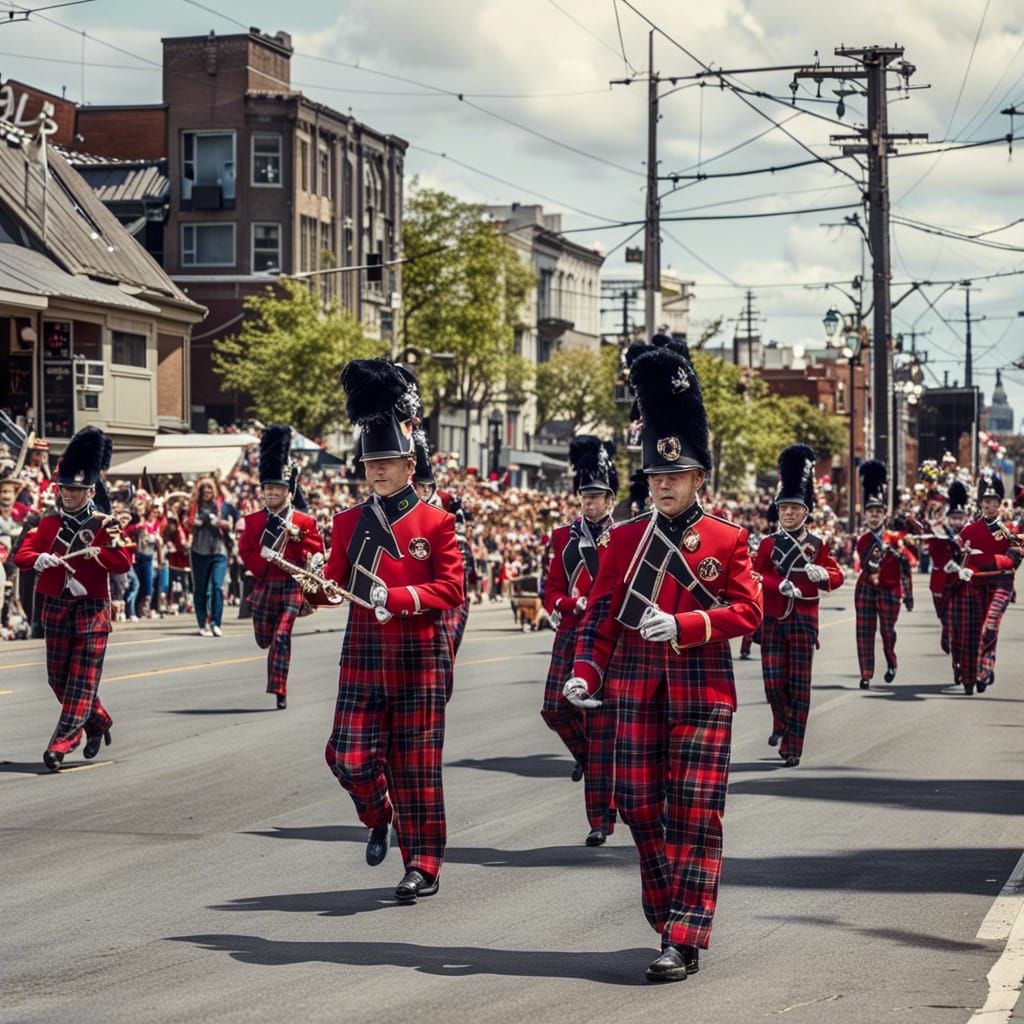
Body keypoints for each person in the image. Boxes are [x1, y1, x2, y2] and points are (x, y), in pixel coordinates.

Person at [564, 344, 762, 983]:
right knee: (641, 807)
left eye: (675, 477)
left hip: (703, 689)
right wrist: (585, 672)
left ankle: (684, 933)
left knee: (698, 811)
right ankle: (668, 906)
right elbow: (598, 615)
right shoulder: (625, 539)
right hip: (635, 689)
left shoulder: (728, 539)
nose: (665, 485)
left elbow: (748, 610)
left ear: (699, 477)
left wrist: (685, 624)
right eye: (654, 478)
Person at [324, 359, 464, 903]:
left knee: (418, 764)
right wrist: (315, 585)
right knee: (348, 756)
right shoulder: (346, 523)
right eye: (369, 463)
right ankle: (377, 812)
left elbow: (451, 590)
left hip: (418, 653)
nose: (376, 471)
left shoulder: (437, 522)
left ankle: (423, 863)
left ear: (409, 464)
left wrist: (401, 598)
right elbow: (329, 587)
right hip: (363, 650)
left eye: (386, 462)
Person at [13, 427, 131, 770]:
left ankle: (61, 744)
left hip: (93, 606)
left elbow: (123, 562)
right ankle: (99, 721)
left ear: (90, 490)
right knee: (57, 678)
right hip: (56, 604)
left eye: (75, 490)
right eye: (64, 488)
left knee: (83, 679)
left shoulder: (105, 524)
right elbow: (23, 554)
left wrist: (98, 556)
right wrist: (38, 559)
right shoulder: (46, 522)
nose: (67, 494)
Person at [541, 435, 619, 846]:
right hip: (571, 631)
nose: (588, 503)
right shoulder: (563, 537)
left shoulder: (624, 537)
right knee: (553, 709)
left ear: (610, 500)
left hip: (607, 636)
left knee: (602, 726)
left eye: (596, 497)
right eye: (584, 496)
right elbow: (551, 589)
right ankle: (587, 758)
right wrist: (570, 602)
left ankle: (600, 821)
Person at [753, 445, 844, 767]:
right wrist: (780, 584)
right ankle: (780, 721)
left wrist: (824, 576)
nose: (788, 513)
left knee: (799, 686)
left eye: (794, 508)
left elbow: (837, 574)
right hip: (774, 618)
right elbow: (757, 573)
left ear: (805, 511)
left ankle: (793, 746)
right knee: (773, 683)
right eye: (784, 508)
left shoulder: (817, 544)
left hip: (804, 620)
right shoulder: (767, 544)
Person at [238, 425, 325, 710]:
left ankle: (279, 688)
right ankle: (276, 673)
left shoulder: (304, 521)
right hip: (264, 584)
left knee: (282, 635)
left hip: (290, 586)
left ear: (289, 491)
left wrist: (298, 541)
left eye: (278, 488)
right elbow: (244, 550)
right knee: (265, 639)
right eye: (268, 488)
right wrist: (261, 562)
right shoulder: (252, 522)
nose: (272, 492)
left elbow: (315, 553)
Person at [956, 469, 1021, 693]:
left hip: (1001, 584)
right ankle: (969, 675)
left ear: (999, 504)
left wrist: (996, 561)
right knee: (973, 631)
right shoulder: (969, 530)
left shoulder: (1009, 531)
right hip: (976, 584)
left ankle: (984, 670)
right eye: (985, 501)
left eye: (993, 502)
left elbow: (1016, 557)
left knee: (990, 627)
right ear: (980, 504)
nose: (989, 506)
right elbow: (960, 556)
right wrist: (963, 565)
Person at [854, 461, 904, 690]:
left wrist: (897, 550)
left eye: (878, 512)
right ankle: (865, 672)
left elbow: (906, 562)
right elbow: (866, 562)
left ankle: (891, 661)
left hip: (889, 588)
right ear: (865, 515)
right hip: (866, 586)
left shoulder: (894, 537)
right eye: (870, 512)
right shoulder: (863, 539)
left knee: (887, 630)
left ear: (884, 515)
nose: (874, 516)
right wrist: (881, 549)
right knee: (864, 631)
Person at [924, 481, 969, 660]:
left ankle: (958, 654)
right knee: (943, 616)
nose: (957, 521)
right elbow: (932, 548)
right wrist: (939, 530)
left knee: (958, 619)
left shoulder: (968, 533)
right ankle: (945, 632)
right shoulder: (939, 534)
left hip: (961, 583)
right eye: (954, 517)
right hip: (940, 583)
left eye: (960, 517)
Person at [187, 477, 233, 636]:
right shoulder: (194, 505)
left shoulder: (222, 505)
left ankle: (216, 622)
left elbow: (231, 524)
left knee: (217, 587)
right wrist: (196, 522)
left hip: (218, 551)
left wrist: (218, 522)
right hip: (199, 551)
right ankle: (202, 623)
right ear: (200, 491)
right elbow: (187, 522)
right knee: (200, 589)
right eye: (204, 488)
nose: (207, 490)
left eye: (209, 488)